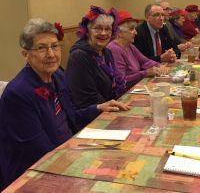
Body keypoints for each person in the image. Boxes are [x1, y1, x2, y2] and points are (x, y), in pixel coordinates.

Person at [0, 19, 129, 189]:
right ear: (25, 54)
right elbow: (39, 150)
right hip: (33, 172)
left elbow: (71, 116)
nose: (51, 54)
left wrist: (98, 108)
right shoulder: (18, 93)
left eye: (55, 46)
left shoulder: (58, 76)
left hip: (67, 150)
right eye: (41, 48)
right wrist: (82, 157)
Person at [65, 6, 130, 109]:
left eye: (107, 29)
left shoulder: (106, 52)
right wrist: (115, 106)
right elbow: (87, 99)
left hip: (107, 107)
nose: (103, 33)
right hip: (89, 116)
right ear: (87, 31)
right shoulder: (79, 56)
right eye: (98, 28)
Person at [107, 11, 169, 90]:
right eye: (131, 29)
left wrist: (160, 66)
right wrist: (146, 73)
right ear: (119, 32)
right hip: (124, 93)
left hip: (135, 88)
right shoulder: (114, 49)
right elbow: (121, 80)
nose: (136, 33)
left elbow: (145, 61)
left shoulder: (130, 46)